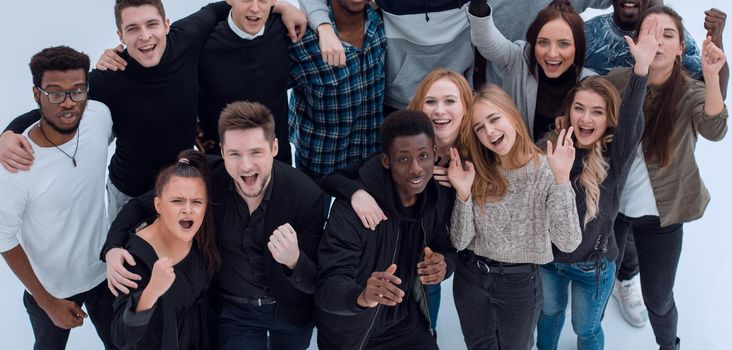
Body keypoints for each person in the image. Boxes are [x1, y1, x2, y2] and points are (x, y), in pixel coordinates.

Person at [104, 101, 326, 349]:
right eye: (234, 154)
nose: (245, 165)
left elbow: (317, 280)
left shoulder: (306, 196)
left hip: (289, 312)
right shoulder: (209, 178)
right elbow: (140, 205)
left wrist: (294, 260)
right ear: (222, 151)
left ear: (274, 147)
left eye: (255, 152)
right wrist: (112, 247)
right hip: (233, 313)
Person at [0, 0, 231, 220]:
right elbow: (52, 108)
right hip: (130, 193)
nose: (145, 36)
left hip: (182, 184)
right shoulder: (109, 76)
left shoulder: (186, 37)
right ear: (120, 36)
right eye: (133, 29)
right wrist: (8, 133)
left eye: (152, 24)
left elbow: (218, 8)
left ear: (166, 24)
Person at [606, 6, 727, 350]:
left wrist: (712, 75)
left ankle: (668, 345)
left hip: (664, 214)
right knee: (620, 258)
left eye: (668, 35)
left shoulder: (689, 91)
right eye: (649, 33)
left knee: (658, 298)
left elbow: (715, 129)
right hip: (616, 207)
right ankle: (625, 278)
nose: (657, 42)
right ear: (634, 42)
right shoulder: (616, 82)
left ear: (679, 48)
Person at [534, 18, 655, 349]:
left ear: (609, 119)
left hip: (594, 267)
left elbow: (632, 117)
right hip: (548, 260)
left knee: (585, 328)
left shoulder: (615, 155)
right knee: (549, 314)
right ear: (569, 112)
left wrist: (641, 69)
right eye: (580, 109)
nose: (586, 118)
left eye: (597, 112)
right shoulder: (552, 147)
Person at [446, 84, 582, 350]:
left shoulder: (548, 169)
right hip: (471, 277)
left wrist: (562, 179)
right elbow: (460, 241)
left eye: (494, 119)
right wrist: (463, 192)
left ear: (512, 115)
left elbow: (568, 243)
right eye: (479, 128)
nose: (490, 132)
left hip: (518, 285)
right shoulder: (477, 171)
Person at [0, 46, 116, 350]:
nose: (68, 103)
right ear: (36, 95)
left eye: (77, 91)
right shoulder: (17, 163)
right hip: (49, 286)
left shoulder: (99, 116)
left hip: (103, 273)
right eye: (55, 94)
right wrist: (48, 302)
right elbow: (3, 237)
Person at [314, 110, 456, 349]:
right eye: (403, 159)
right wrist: (363, 296)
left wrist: (444, 265)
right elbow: (327, 285)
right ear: (386, 160)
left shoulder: (438, 195)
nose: (416, 169)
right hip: (352, 336)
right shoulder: (353, 210)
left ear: (434, 154)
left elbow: (446, 248)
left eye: (423, 156)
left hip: (407, 326)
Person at [111, 150, 219, 349]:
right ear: (158, 205)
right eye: (177, 201)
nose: (188, 209)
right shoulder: (135, 259)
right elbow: (121, 338)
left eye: (196, 202)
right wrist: (152, 291)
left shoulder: (200, 236)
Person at [288, 0, 386, 194]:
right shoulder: (302, 37)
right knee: (311, 222)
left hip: (369, 160)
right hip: (319, 166)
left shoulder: (381, 23)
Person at [468, 0, 596, 141]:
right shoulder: (519, 60)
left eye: (563, 44)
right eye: (543, 43)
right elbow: (486, 40)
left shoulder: (590, 84)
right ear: (533, 43)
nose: (552, 54)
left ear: (577, 47)